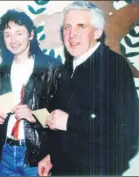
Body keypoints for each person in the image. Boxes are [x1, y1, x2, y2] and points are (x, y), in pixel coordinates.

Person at [38, 1, 139, 175]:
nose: (71, 34)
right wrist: (51, 156)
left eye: (81, 26)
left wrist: (70, 122)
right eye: (67, 27)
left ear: (98, 31)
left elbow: (127, 130)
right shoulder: (66, 68)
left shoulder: (114, 65)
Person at [0, 9, 62, 176]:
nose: (13, 40)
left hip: (38, 156)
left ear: (31, 34)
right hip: (5, 153)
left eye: (19, 33)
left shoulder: (51, 69)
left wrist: (33, 115)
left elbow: (63, 118)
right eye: (7, 35)